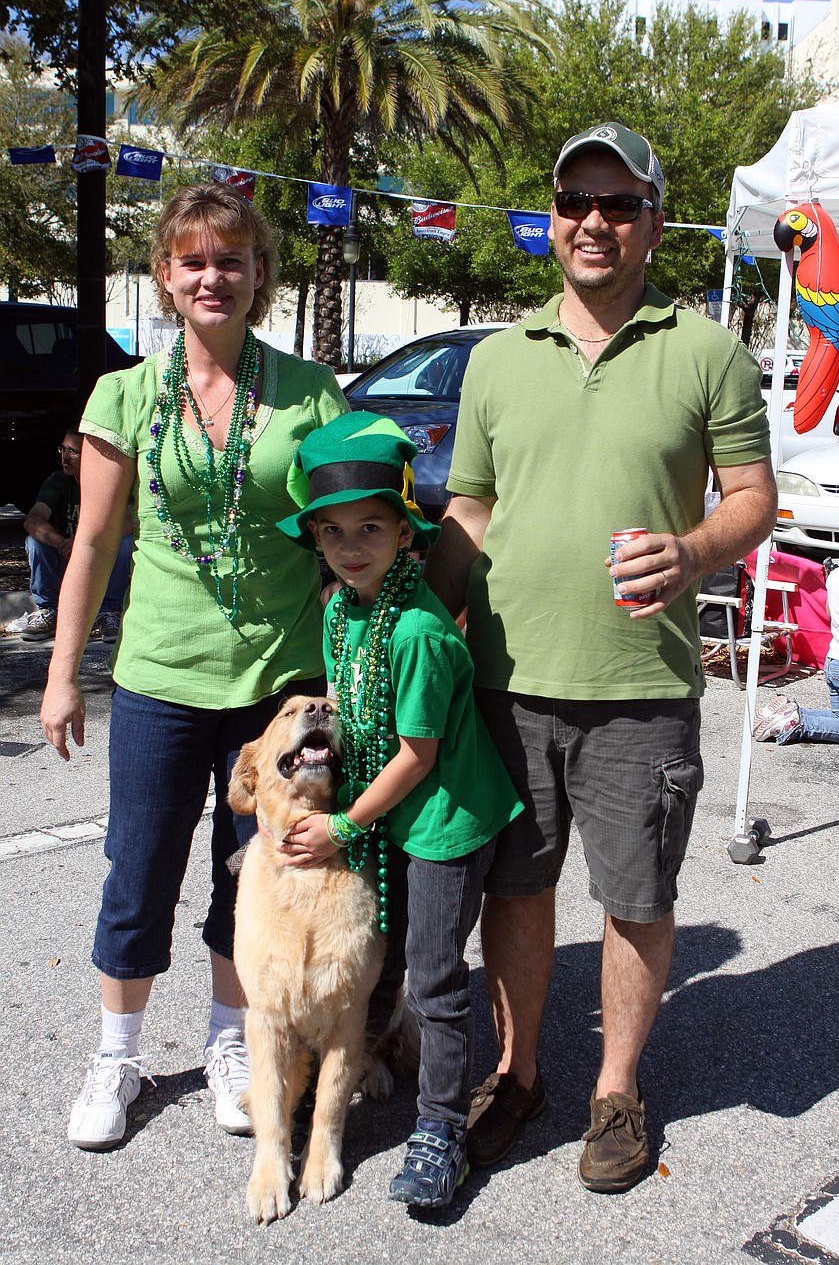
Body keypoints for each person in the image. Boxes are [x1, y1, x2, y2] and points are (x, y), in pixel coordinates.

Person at [423, 121, 778, 1193]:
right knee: (517, 891)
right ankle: (518, 1070)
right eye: (575, 200)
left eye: (618, 204)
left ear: (654, 222)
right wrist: (403, 635)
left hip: (640, 686)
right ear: (550, 219)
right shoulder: (497, 357)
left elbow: (754, 500)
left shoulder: (706, 349)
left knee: (635, 894)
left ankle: (615, 1089)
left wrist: (696, 548)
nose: (593, 220)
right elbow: (470, 507)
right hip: (504, 679)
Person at [39, 181, 349, 1152]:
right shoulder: (123, 394)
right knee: (138, 870)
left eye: (231, 258)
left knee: (248, 871)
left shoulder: (308, 393)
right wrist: (59, 672)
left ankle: (230, 1042)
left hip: (276, 684)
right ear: (167, 277)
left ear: (260, 273)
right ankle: (118, 1053)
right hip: (160, 678)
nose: (212, 275)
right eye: (192, 260)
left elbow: (348, 537)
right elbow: (90, 542)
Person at [276, 412, 523, 1209]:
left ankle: (442, 1125)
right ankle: (351, 1080)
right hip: (389, 812)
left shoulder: (415, 628)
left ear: (408, 533)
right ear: (316, 538)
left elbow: (416, 754)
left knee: (436, 973)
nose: (352, 545)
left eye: (371, 528)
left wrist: (346, 824)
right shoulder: (341, 608)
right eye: (334, 530)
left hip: (442, 820)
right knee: (383, 953)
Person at [4, 429, 132, 641]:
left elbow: (130, 521)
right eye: (62, 449)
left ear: (91, 455)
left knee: (126, 542)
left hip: (98, 560)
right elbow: (33, 521)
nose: (65, 456)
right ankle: (48, 611)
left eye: (73, 451)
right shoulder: (58, 481)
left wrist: (84, 543)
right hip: (65, 558)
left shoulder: (109, 481)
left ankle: (110, 611)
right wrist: (63, 542)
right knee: (34, 541)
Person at [755, 558, 839, 744]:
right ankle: (798, 722)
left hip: (835, 660)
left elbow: (830, 613)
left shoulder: (836, 576)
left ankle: (787, 712)